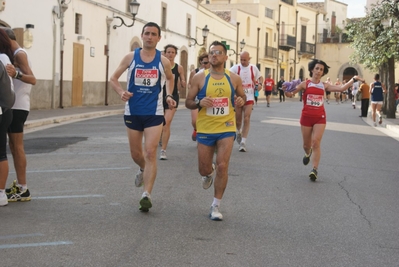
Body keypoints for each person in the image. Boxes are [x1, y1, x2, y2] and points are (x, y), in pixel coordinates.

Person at [109, 22, 176, 212]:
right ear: (142, 35)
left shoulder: (163, 61)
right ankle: (142, 169)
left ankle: (146, 194)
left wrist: (169, 95)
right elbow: (113, 78)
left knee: (149, 152)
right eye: (146, 33)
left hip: (154, 113)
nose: (149, 37)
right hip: (133, 111)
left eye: (153, 34)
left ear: (158, 38)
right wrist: (121, 92)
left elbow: (170, 79)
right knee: (136, 154)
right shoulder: (131, 57)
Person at [185, 41, 245, 221]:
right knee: (204, 169)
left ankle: (216, 206)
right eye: (212, 52)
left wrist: (240, 101)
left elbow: (242, 96)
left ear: (226, 57)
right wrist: (198, 103)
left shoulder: (233, 78)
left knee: (222, 165)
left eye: (218, 52)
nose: (214, 55)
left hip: (226, 127)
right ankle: (207, 173)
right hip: (205, 128)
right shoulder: (199, 78)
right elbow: (188, 101)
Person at [284, 59, 363, 182]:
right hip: (306, 118)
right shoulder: (305, 84)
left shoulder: (324, 85)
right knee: (306, 145)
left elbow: (341, 88)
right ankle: (307, 153)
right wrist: (285, 90)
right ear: (312, 70)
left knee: (316, 142)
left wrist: (354, 79)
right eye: (317, 68)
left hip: (320, 118)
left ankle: (314, 169)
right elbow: (290, 94)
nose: (319, 71)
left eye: (321, 69)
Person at [0, 28, 36, 202]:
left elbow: (33, 78)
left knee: (16, 146)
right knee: (13, 147)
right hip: (15, 105)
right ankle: (21, 187)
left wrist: (16, 73)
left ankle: (23, 188)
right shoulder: (14, 54)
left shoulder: (19, 53)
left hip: (18, 106)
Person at [229, 51, 263, 152]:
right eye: (241, 59)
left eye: (245, 60)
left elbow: (260, 77)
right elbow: (228, 75)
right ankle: (238, 131)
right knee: (238, 120)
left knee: (247, 118)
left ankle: (243, 142)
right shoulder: (236, 68)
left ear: (249, 59)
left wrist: (260, 84)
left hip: (249, 96)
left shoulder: (253, 68)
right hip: (239, 96)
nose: (243, 62)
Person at [159, 44, 186, 160]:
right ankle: (160, 136)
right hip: (159, 96)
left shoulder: (178, 67)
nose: (170, 54)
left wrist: (183, 82)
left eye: (172, 52)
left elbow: (183, 79)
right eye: (168, 52)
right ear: (164, 53)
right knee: (159, 123)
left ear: (175, 54)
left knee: (167, 122)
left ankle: (163, 150)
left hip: (173, 96)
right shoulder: (160, 65)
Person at [0, 34, 15, 206]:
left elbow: (6, 93)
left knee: (0, 153)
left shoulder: (2, 59)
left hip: (2, 111)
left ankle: (1, 193)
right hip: (5, 109)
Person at [188, 52, 209, 141]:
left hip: (207, 99)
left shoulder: (212, 73)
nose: (205, 65)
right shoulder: (195, 72)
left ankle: (204, 137)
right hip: (196, 99)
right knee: (194, 120)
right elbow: (190, 84)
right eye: (203, 62)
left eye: (207, 63)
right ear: (200, 62)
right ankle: (196, 129)